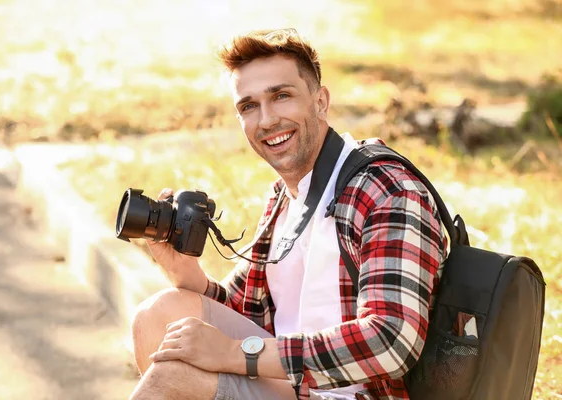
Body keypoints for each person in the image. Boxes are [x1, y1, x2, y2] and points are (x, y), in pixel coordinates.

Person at [128, 28, 448, 400]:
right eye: (248, 106)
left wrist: (236, 354)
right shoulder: (287, 195)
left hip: (361, 395)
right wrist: (185, 272)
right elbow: (250, 312)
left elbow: (391, 339)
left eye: (281, 96)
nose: (266, 120)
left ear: (321, 102)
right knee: (161, 314)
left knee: (174, 381)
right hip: (297, 388)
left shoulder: (385, 190)